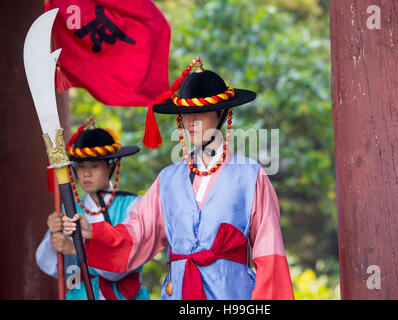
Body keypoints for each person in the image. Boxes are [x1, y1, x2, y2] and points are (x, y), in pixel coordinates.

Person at [63, 58, 294, 300]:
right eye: (185, 114)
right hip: (179, 292)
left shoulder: (249, 175)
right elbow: (139, 232)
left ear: (222, 113)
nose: (191, 122)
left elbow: (270, 254)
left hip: (232, 293)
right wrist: (95, 232)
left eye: (200, 113)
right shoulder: (168, 179)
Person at [36, 117, 150, 300]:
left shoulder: (133, 205)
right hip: (80, 294)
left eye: (94, 166)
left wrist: (75, 249)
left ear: (111, 166)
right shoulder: (69, 209)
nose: (86, 173)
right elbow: (50, 265)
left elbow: (122, 265)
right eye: (80, 167)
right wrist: (53, 236)